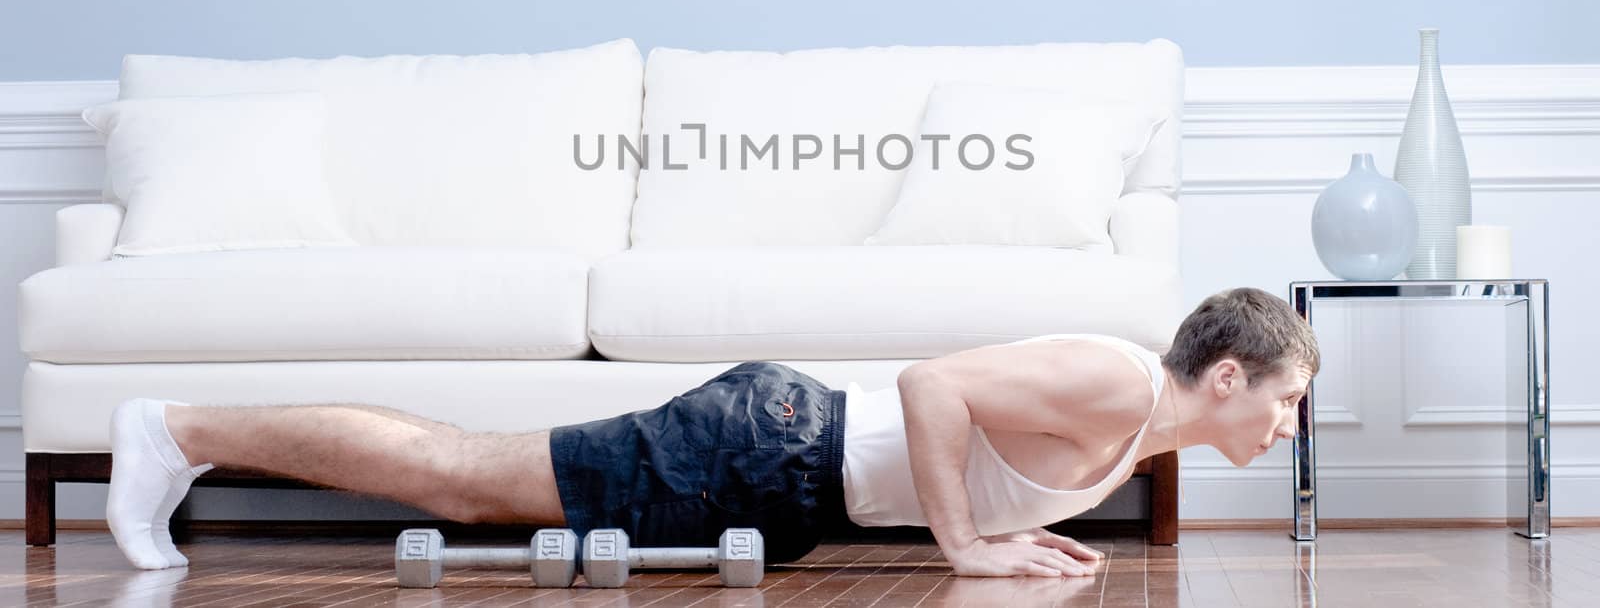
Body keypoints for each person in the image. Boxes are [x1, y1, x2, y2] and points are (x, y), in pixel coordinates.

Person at [106, 286, 1319, 577]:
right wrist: (965, 547)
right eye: (1286, 401)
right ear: (1225, 374)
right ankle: (175, 427)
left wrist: (1012, 538)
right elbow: (930, 385)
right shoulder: (1117, 381)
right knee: (466, 478)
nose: (1285, 426)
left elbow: (984, 459)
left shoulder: (1143, 428)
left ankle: (184, 430)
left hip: (783, 475)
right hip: (762, 445)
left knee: (470, 473)